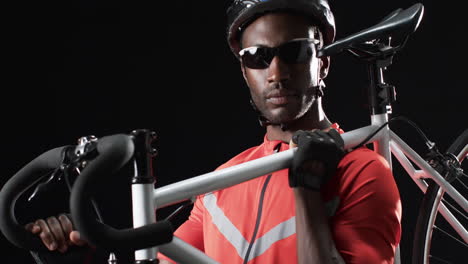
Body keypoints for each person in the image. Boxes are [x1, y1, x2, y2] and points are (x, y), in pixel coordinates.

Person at [26, 0, 402, 263]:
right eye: (257, 57)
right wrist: (82, 255)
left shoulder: (363, 174)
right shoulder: (221, 184)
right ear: (244, 71)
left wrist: (307, 191)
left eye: (296, 52)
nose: (276, 72)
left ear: (323, 64)